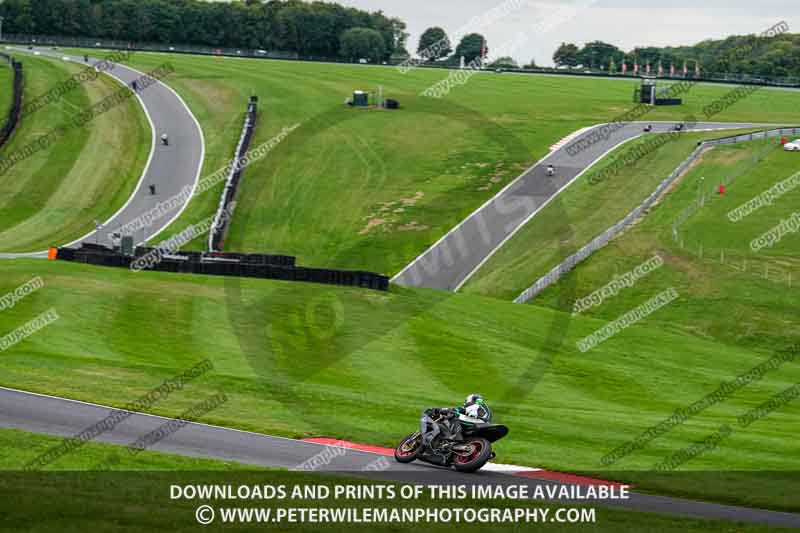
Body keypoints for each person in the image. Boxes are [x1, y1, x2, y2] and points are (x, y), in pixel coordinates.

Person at [420, 393, 493, 452]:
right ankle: (461, 443)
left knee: (454, 416)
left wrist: (438, 410)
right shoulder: (485, 407)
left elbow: (454, 410)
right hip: (483, 424)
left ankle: (455, 439)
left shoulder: (473, 405)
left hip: (477, 422)